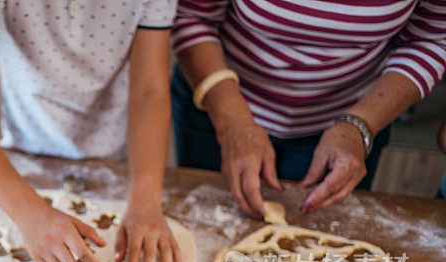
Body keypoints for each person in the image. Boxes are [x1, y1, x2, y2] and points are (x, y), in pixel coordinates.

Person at [0, 0, 183, 262]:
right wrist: (28, 213)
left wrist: (146, 198)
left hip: (115, 156)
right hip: (22, 158)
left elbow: (149, 91)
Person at [171, 0, 446, 218]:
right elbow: (193, 15)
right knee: (208, 221)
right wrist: (234, 123)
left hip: (353, 120)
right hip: (221, 104)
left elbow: (432, 39)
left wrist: (359, 124)